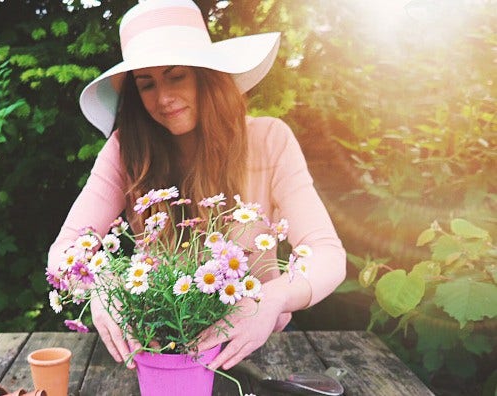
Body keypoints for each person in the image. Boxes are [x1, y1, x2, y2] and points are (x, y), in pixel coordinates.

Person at [48, 0, 346, 372]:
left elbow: (326, 253)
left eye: (176, 76)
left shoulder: (270, 139)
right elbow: (64, 251)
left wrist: (271, 299)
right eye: (147, 84)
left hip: (255, 350)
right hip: (158, 350)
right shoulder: (127, 150)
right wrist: (100, 284)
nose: (163, 98)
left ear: (206, 75)